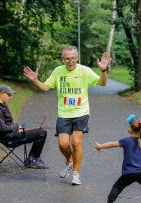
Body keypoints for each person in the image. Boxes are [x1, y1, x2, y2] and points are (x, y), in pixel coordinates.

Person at [23, 45, 111, 185]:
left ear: (77, 58)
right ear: (62, 59)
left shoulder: (84, 70)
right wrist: (34, 80)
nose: (70, 61)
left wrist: (104, 70)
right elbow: (45, 87)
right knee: (63, 144)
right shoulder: (58, 71)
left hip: (81, 112)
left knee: (76, 142)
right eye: (67, 59)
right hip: (64, 113)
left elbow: (102, 83)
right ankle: (70, 161)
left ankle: (76, 173)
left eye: (73, 58)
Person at [0, 85, 48, 169]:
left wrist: (18, 128)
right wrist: (16, 126)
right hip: (8, 138)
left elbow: (7, 124)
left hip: (12, 134)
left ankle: (32, 158)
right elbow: (3, 127)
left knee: (37, 130)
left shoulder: (3, 105)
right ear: (1, 94)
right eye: (8, 94)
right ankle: (33, 159)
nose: (10, 97)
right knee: (42, 132)